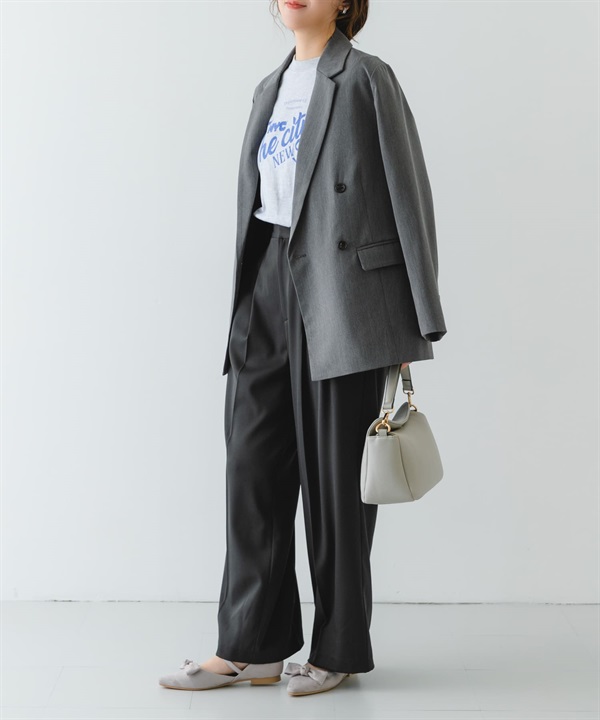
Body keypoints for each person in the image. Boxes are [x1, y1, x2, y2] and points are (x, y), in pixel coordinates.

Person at [159, 0, 447, 697]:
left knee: (336, 485)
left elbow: (409, 192)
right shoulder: (270, 87)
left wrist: (417, 320)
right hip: (266, 281)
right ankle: (249, 646)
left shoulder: (368, 77)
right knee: (250, 470)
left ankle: (338, 648)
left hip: (344, 296)